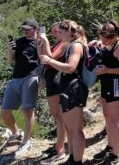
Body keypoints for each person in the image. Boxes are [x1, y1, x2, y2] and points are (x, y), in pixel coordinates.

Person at [39, 20, 88, 165]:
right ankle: (72, 159)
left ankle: (77, 161)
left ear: (70, 32)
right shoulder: (72, 45)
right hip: (68, 88)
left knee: (75, 129)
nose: (58, 35)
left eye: (60, 32)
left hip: (74, 89)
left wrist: (49, 60)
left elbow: (70, 67)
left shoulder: (76, 46)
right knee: (70, 129)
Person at [92, 20, 119, 165]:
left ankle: (116, 155)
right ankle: (110, 146)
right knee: (108, 116)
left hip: (115, 83)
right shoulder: (107, 44)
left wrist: (107, 70)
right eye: (101, 37)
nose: (103, 40)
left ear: (114, 36)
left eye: (106, 38)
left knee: (116, 118)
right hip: (106, 82)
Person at [1, 19, 40, 156]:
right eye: (23, 29)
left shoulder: (40, 42)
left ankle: (26, 141)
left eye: (28, 28)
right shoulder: (18, 41)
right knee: (5, 112)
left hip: (31, 76)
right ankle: (16, 134)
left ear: (35, 28)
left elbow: (44, 60)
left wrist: (42, 80)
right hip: (15, 78)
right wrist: (9, 47)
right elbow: (10, 59)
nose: (25, 31)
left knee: (28, 110)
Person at [37, 22, 69, 164]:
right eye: (53, 31)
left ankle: (60, 149)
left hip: (57, 80)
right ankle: (58, 146)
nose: (55, 33)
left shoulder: (64, 43)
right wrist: (40, 45)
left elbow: (51, 57)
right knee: (56, 116)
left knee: (60, 117)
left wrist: (46, 41)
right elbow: (43, 60)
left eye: (57, 31)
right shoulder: (57, 43)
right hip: (51, 79)